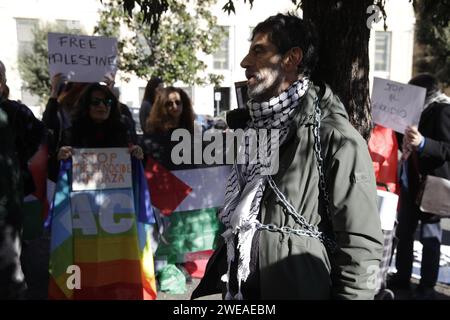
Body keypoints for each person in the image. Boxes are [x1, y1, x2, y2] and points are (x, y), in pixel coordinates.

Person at [192, 13, 383, 300]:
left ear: (291, 58)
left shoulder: (334, 137)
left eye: (259, 51)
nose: (245, 63)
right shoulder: (252, 129)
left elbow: (361, 244)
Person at [388, 73, 450, 299]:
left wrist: (423, 143)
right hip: (410, 179)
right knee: (404, 231)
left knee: (430, 236)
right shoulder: (413, 111)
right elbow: (399, 135)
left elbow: (447, 148)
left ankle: (427, 285)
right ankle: (402, 277)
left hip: (432, 183)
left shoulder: (443, 110)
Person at [57, 83, 143, 161]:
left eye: (107, 102)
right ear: (86, 105)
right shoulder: (71, 133)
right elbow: (56, 170)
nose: (102, 106)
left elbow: (133, 167)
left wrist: (137, 153)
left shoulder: (122, 131)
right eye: (95, 102)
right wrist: (60, 156)